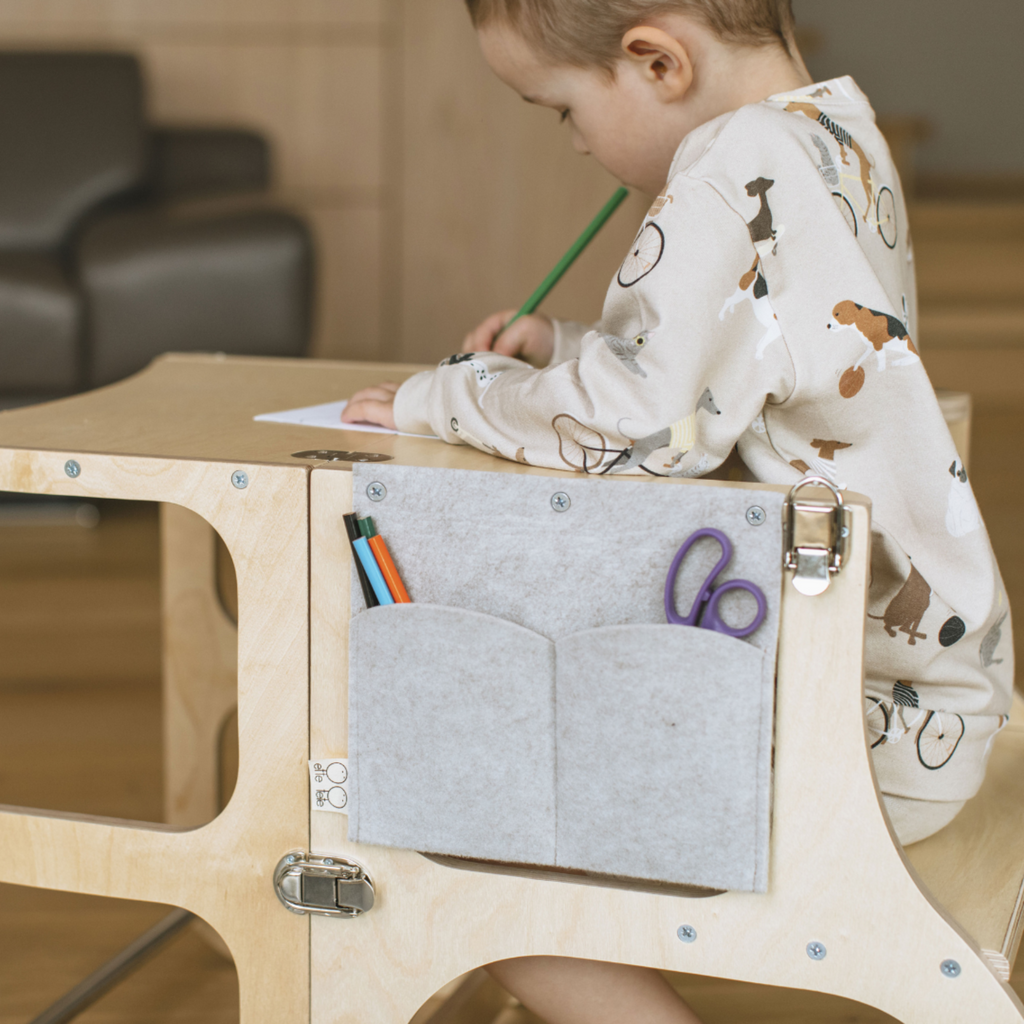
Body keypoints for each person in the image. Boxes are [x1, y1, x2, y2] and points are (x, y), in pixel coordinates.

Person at [344, 1, 1013, 1021]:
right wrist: (566, 351)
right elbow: (759, 362)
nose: (571, 140)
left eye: (558, 109)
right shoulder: (833, 129)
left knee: (463, 851)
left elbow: (637, 429)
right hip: (931, 695)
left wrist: (443, 398)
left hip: (851, 723)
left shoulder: (725, 170)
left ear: (656, 62)